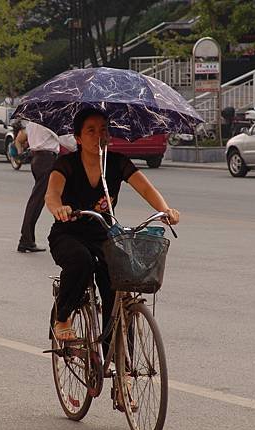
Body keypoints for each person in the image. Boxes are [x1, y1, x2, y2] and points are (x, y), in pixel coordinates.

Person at [44, 108, 180, 341]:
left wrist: (164, 210)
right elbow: (52, 194)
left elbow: (146, 188)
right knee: (81, 262)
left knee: (117, 284)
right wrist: (59, 208)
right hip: (68, 233)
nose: (99, 135)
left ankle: (120, 363)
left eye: (104, 130)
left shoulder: (117, 163)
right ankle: (62, 318)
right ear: (77, 137)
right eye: (91, 130)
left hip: (103, 234)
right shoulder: (66, 163)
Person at [16, 121, 60, 253]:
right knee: (37, 200)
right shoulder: (49, 119)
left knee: (38, 199)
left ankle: (27, 239)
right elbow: (64, 139)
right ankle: (26, 240)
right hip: (46, 159)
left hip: (38, 158)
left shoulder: (33, 121)